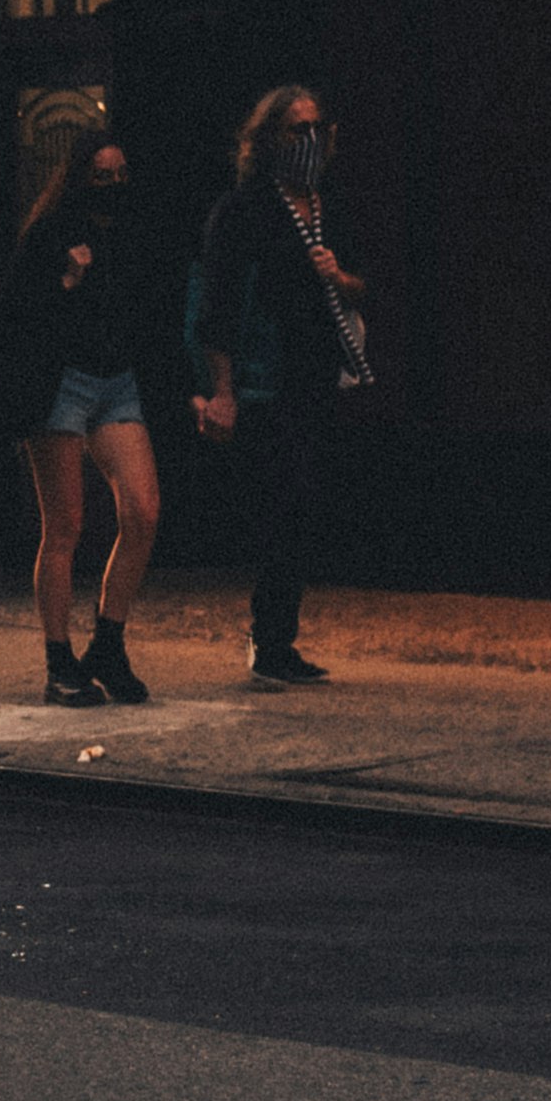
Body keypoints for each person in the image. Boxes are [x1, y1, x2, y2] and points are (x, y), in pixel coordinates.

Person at [186, 80, 371, 686]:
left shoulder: (328, 204)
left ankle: (279, 639)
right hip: (266, 378)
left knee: (306, 506)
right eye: (297, 130)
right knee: (282, 505)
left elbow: (364, 285)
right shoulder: (244, 210)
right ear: (269, 140)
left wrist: (337, 275)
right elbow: (215, 303)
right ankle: (269, 642)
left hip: (315, 373)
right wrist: (222, 388)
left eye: (318, 128)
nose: (311, 141)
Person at [0, 123, 159, 705]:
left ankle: (108, 642)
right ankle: (59, 663)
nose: (112, 185)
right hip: (60, 382)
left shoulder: (132, 234)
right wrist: (66, 279)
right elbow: (14, 312)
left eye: (120, 175)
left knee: (143, 509)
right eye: (101, 176)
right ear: (81, 178)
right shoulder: (51, 232)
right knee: (64, 526)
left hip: (115, 382)